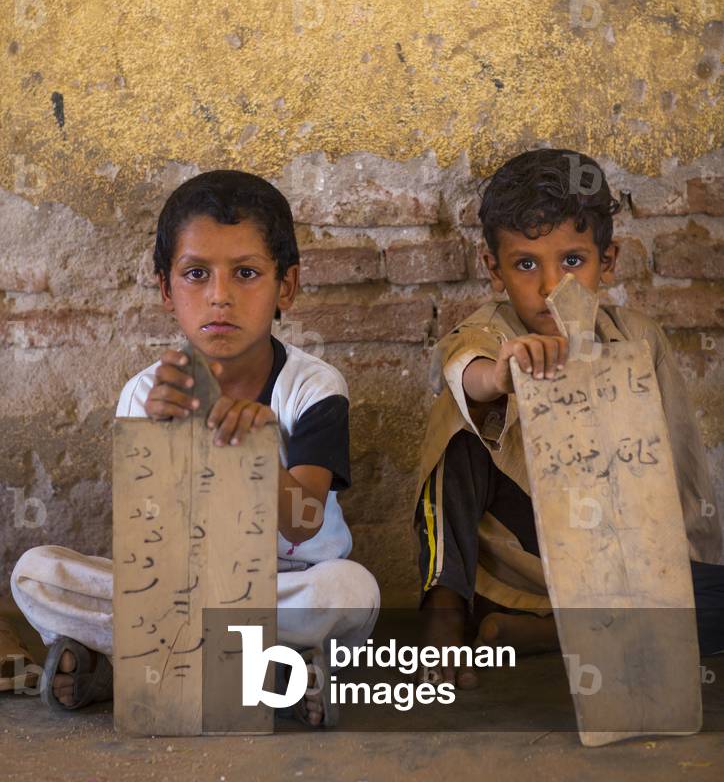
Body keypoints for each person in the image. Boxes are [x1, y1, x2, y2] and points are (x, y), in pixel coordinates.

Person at [11, 170, 379, 725]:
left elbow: (304, 523)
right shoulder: (145, 393)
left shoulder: (312, 388)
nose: (220, 296)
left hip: (284, 585)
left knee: (351, 591)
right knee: (36, 574)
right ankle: (270, 669)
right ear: (166, 288)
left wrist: (257, 451)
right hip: (178, 592)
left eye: (247, 274)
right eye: (196, 274)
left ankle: (126, 660)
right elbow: (146, 542)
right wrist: (164, 441)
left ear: (287, 287)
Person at [415, 148, 723, 689]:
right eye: (526, 264)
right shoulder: (491, 331)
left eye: (573, 261)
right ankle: (444, 607)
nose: (551, 285)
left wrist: (680, 566)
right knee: (458, 418)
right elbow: (465, 368)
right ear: (495, 269)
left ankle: (549, 635)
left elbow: (678, 463)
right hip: (522, 563)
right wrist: (501, 376)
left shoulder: (637, 339)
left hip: (618, 566)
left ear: (609, 261)